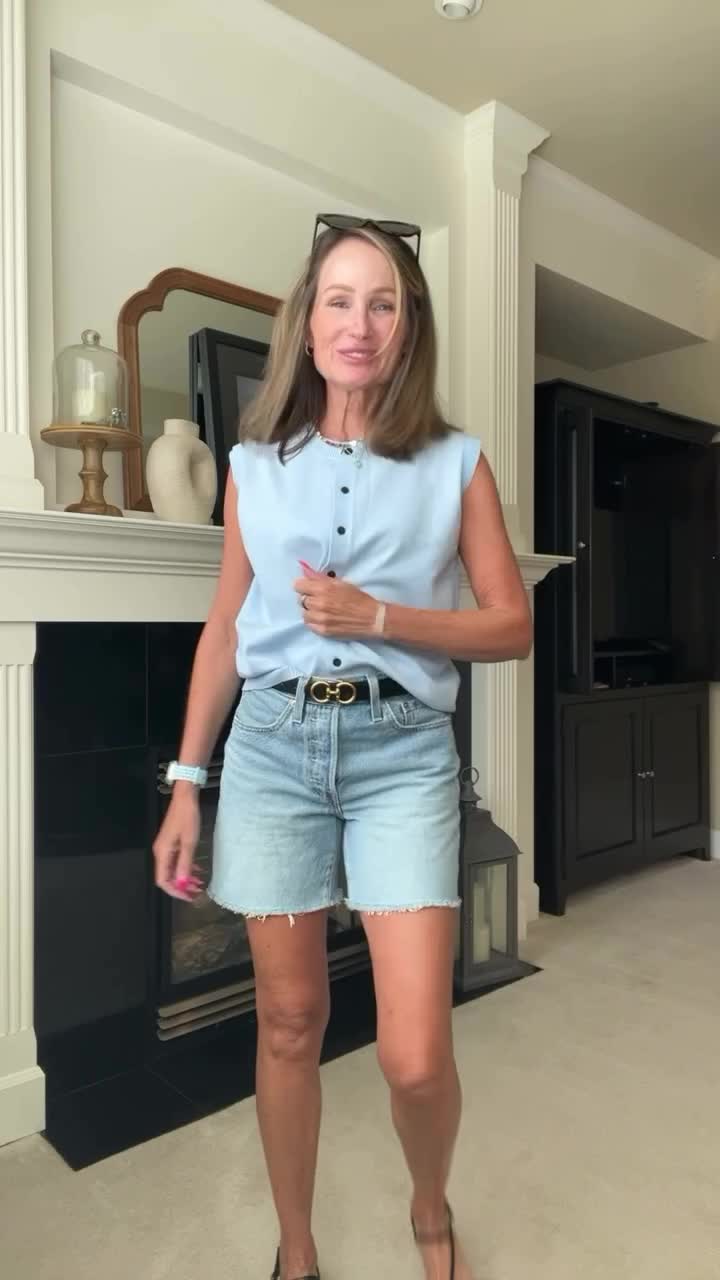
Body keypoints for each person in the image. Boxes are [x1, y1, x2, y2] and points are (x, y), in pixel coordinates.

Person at [153, 212, 532, 1280]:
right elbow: (226, 629)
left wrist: (382, 618)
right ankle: (298, 1249)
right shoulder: (252, 465)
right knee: (288, 1018)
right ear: (307, 322)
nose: (359, 323)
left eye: (384, 303)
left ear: (409, 326)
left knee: (414, 1055)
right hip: (272, 748)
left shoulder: (456, 464)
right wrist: (186, 781)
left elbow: (512, 624)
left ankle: (429, 1207)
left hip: (401, 750)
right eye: (339, 300)